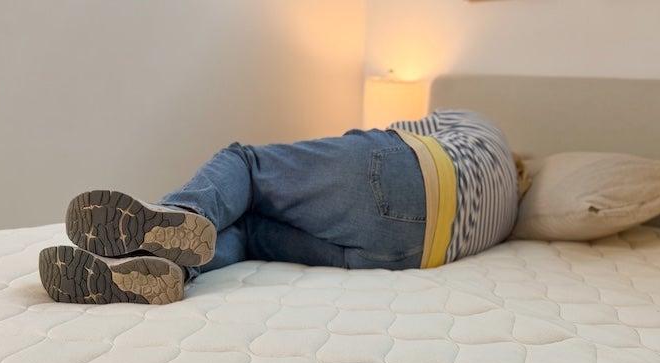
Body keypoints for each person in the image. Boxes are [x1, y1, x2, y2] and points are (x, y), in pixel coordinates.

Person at [39, 109, 519, 304]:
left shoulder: (477, 125)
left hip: (416, 173)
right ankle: (165, 268)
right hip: (406, 254)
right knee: (249, 234)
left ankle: (184, 214)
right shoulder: (511, 216)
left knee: (244, 165)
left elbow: (388, 140)